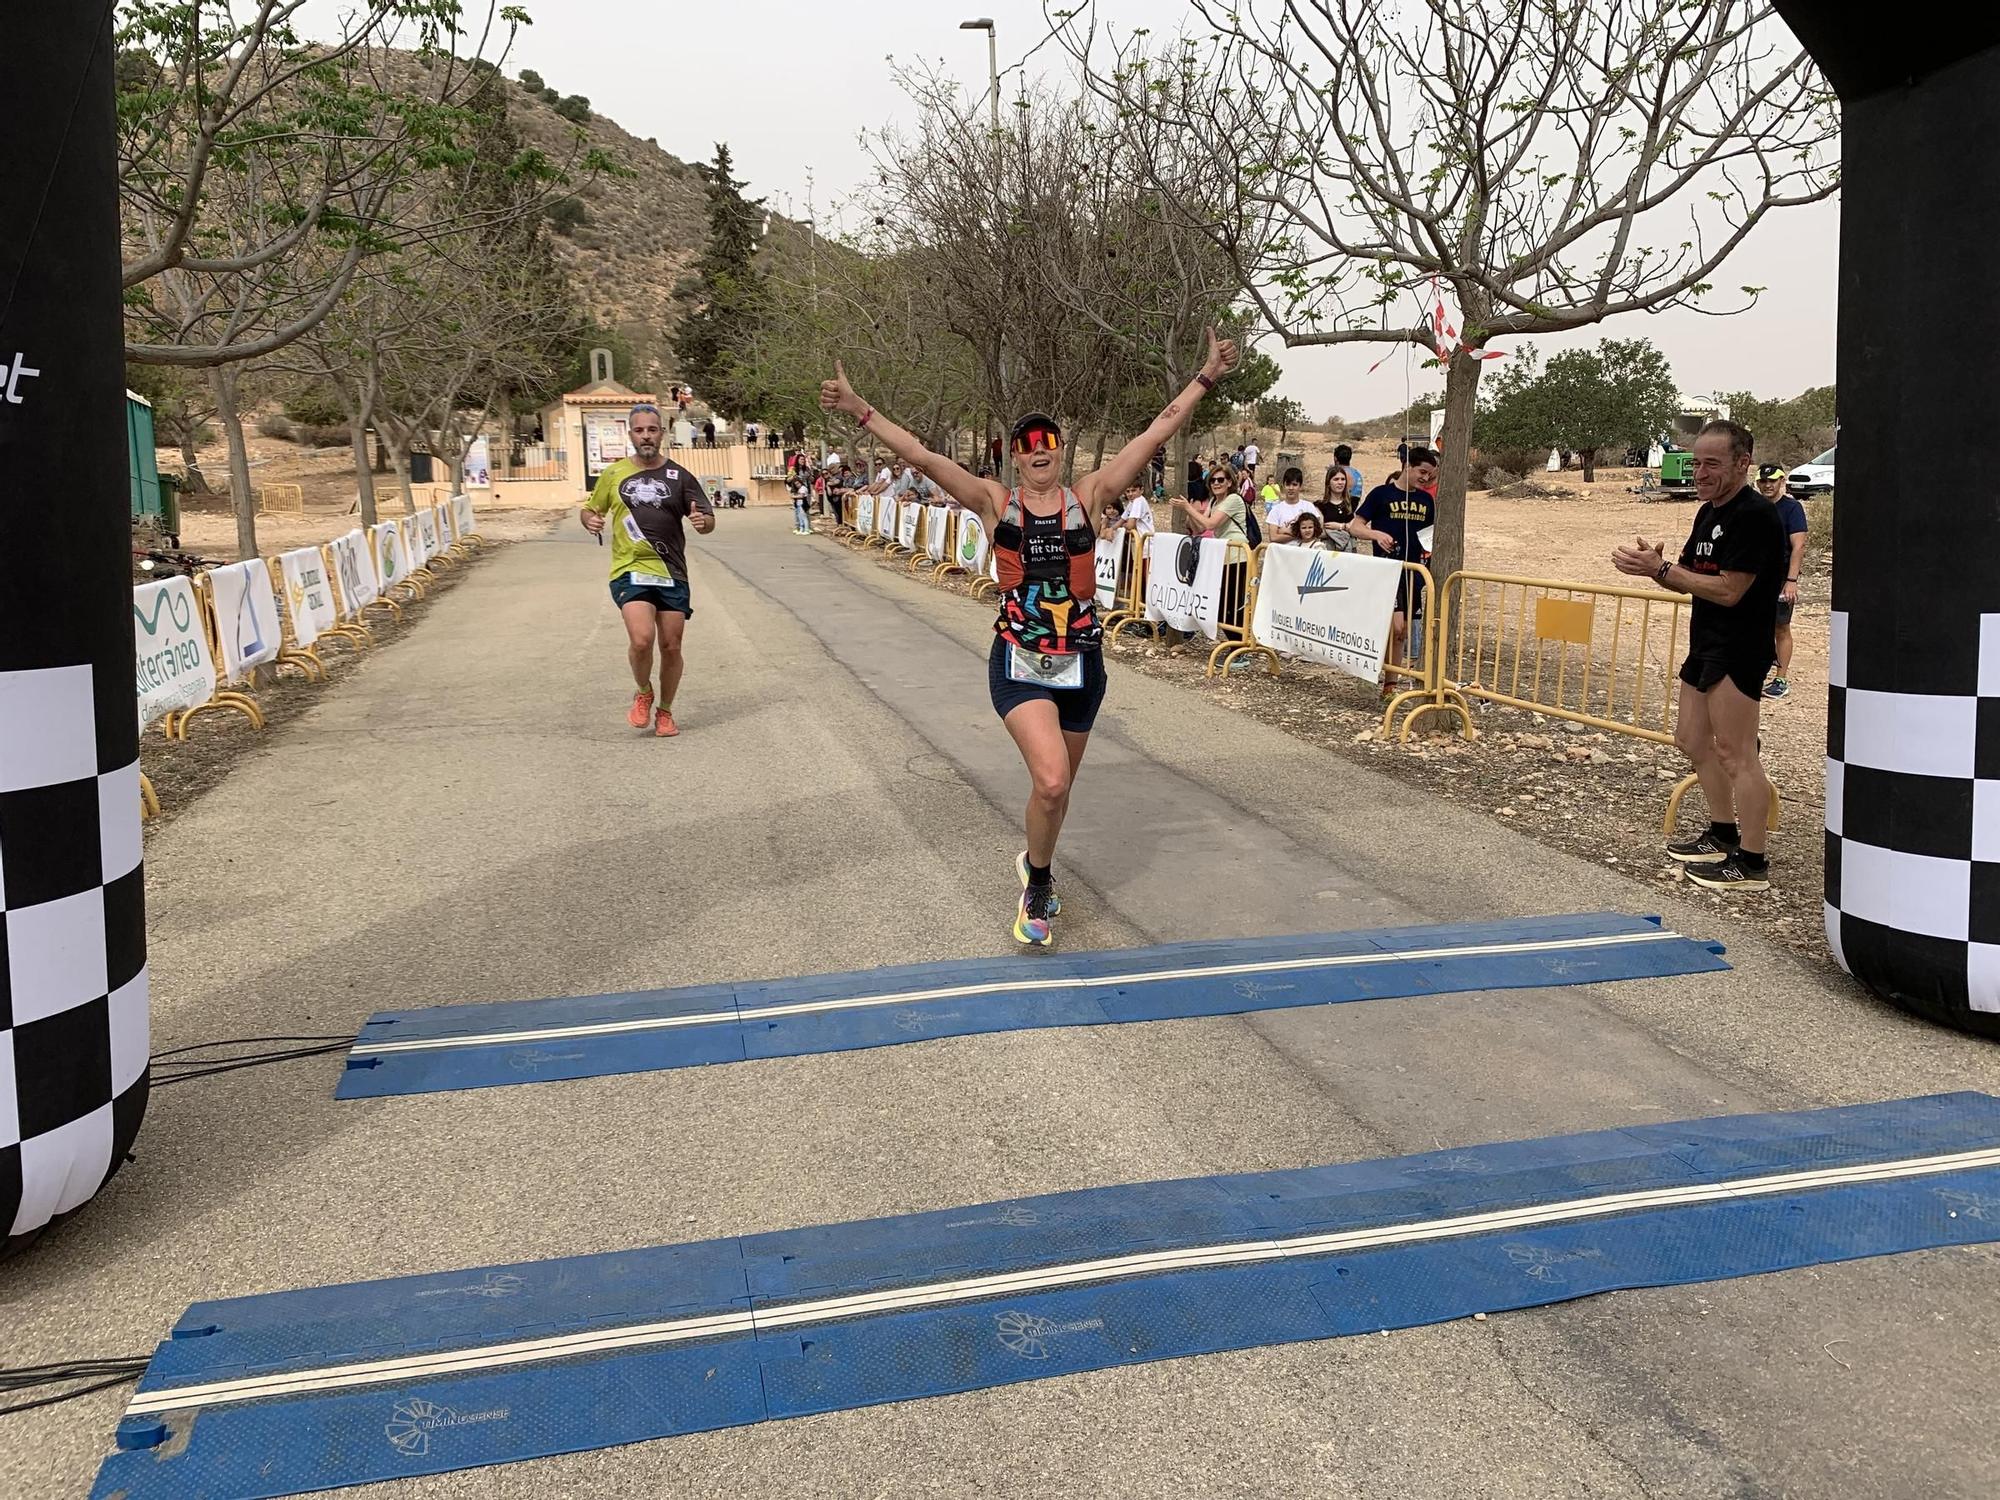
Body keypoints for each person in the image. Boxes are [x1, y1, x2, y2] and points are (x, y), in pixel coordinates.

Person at [820, 328, 1240, 945]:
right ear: (1015, 455)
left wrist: (1206, 375)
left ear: (1061, 449)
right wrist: (860, 409)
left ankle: (1034, 860)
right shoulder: (995, 502)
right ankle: (1039, 882)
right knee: (1049, 780)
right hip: (1019, 661)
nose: (1038, 449)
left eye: (1048, 440)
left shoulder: (1090, 494)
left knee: (1058, 793)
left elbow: (1157, 431)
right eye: (1027, 443)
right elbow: (923, 457)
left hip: (1082, 664)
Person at [1613, 419, 1784, 891]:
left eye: (1712, 463)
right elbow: (1691, 572)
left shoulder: (1755, 515)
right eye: (1695, 462)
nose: (1700, 473)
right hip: (1705, 641)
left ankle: (1752, 862)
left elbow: (1730, 591)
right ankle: (1722, 832)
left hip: (1740, 648)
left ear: (1743, 463)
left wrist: (1665, 569)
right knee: (1690, 739)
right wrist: (1655, 568)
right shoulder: (1708, 510)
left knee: (1736, 752)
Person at [579, 403, 717, 738]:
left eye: (652, 430)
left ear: (662, 433)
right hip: (629, 568)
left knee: (671, 646)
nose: (646, 436)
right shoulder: (613, 474)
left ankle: (665, 711)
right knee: (642, 640)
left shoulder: (680, 476)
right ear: (631, 434)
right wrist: (591, 520)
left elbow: (708, 519)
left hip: (672, 571)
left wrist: (702, 522)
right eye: (639, 430)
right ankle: (643, 690)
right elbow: (590, 510)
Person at [1350, 446, 1438, 680]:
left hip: (1414, 572)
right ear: (1406, 466)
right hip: (1386, 571)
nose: (1425, 478)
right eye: (1422, 471)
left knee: (1402, 633)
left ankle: (1390, 685)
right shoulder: (1381, 494)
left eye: (1429, 474)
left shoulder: (1427, 500)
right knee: (1395, 626)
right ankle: (1368, 674)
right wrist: (1376, 535)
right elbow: (1355, 526)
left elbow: (1430, 535)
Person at [1760, 463, 1808, 699]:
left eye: (1772, 481)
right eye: (1763, 481)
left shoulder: (1792, 508)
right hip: (1755, 578)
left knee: (1781, 626)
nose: (1768, 485)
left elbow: (1798, 545)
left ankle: (1781, 678)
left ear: (1782, 482)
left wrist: (1791, 580)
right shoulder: (1754, 507)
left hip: (1780, 577)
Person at [1176, 465, 1249, 543]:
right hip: (1221, 546)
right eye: (1212, 480)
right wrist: (1189, 512)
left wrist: (1188, 508)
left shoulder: (1234, 499)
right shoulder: (1213, 501)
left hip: (1235, 547)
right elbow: (1199, 529)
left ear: (1229, 483)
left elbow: (1210, 525)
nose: (1216, 483)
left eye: (1220, 480)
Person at [1262, 467, 1317, 541]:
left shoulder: (1308, 507)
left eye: (1294, 485)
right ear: (1284, 486)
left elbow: (1315, 532)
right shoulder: (1276, 510)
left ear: (1300, 486)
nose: (1291, 488)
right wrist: (1301, 534)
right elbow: (1274, 537)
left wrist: (1284, 531)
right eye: (1288, 484)